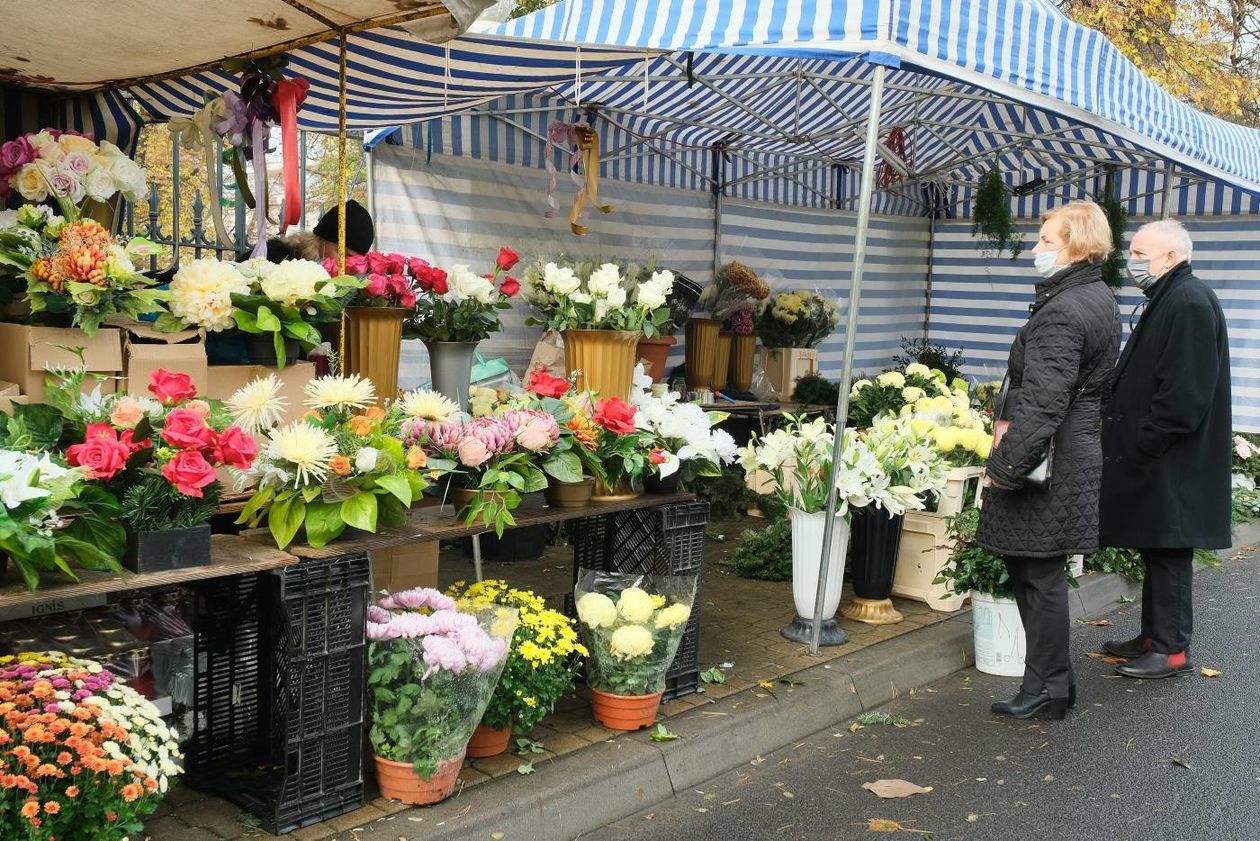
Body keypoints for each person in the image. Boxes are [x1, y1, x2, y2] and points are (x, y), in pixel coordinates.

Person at [975, 201, 1121, 720]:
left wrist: (1003, 468)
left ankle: (1049, 686)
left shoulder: (1064, 308)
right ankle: (1050, 684)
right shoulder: (1097, 294)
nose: (1036, 250)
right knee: (1040, 571)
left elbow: (1043, 403)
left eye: (1046, 242)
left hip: (1049, 460)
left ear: (1077, 246)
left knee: (1037, 573)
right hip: (1069, 451)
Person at [1099, 220, 1232, 679]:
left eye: (1139, 254)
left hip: (1170, 459)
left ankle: (1172, 650)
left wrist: (1145, 440)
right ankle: (1154, 636)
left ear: (1171, 258)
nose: (1131, 262)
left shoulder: (1188, 301)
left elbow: (1184, 394)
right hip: (1161, 456)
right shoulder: (1173, 296)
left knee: (1170, 550)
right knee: (1156, 547)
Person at [248, 199, 375, 263]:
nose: (345, 264)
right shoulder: (275, 257)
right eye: (342, 253)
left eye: (354, 260)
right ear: (321, 241)